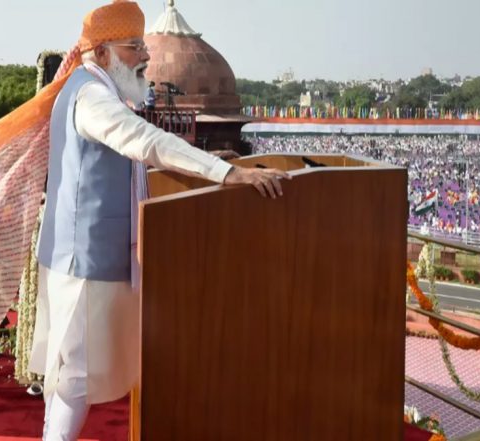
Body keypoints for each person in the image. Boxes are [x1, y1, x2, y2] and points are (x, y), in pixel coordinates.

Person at [26, 2, 289, 440]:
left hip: (80, 254)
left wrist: (206, 162)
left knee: (70, 372)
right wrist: (229, 172)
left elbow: (126, 161)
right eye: (134, 48)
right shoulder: (91, 96)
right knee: (74, 375)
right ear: (105, 53)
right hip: (82, 259)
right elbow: (144, 141)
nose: (144, 56)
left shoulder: (91, 87)